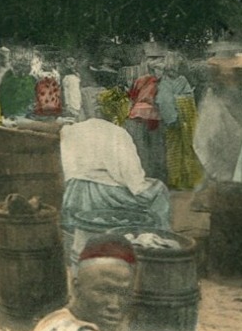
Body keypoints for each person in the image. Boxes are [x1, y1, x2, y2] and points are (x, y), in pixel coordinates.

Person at [58, 114, 171, 263]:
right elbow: (132, 176)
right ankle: (158, 246)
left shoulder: (70, 130)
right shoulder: (117, 133)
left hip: (75, 193)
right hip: (103, 195)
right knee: (159, 189)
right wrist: (143, 187)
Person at [28, 240, 136, 331]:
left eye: (123, 293)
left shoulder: (58, 318)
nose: (114, 305)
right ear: (76, 287)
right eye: (103, 291)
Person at [156, 53, 202, 190]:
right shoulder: (164, 83)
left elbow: (189, 95)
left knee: (188, 148)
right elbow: (164, 102)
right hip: (174, 120)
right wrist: (172, 118)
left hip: (186, 119)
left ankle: (188, 178)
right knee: (174, 149)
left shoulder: (182, 80)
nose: (173, 70)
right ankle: (175, 179)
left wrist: (183, 101)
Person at [124, 50, 167, 181]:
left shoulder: (141, 80)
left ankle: (145, 175)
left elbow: (131, 97)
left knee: (142, 147)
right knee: (154, 147)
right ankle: (153, 176)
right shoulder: (161, 82)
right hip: (151, 116)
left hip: (138, 115)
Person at [0, 55, 37, 119]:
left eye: (25, 66)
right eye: (18, 67)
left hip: (25, 111)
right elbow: (3, 94)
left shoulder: (32, 79)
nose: (21, 69)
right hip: (9, 111)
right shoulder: (9, 77)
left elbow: (33, 96)